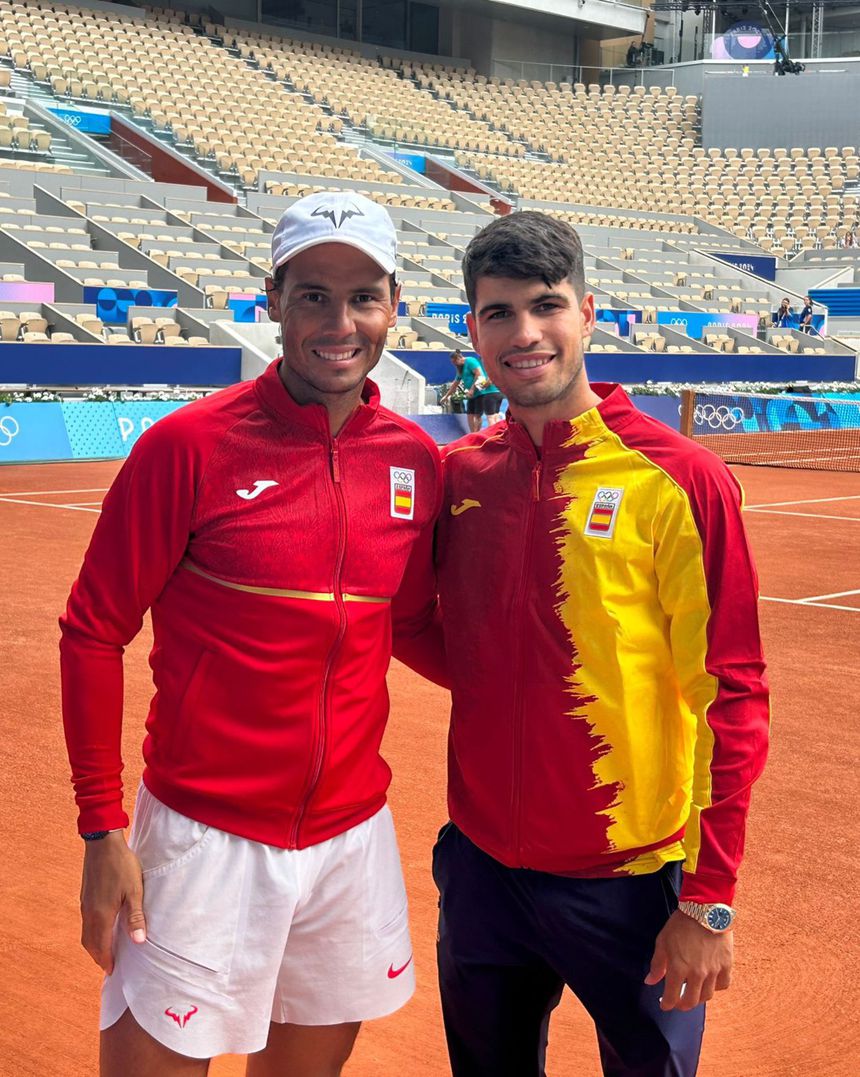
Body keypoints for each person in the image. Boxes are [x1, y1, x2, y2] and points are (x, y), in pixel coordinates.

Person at [59, 191, 446, 1076]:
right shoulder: (186, 447)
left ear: (394, 304)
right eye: (313, 295)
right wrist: (101, 827)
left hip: (351, 840)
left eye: (363, 296)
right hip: (202, 839)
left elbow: (413, 622)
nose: (339, 323)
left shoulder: (415, 461)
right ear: (273, 300)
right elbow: (92, 631)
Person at [431, 212, 770, 1076]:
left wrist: (710, 899)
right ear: (473, 330)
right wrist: (504, 680)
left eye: (546, 306)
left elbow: (732, 692)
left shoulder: (679, 478)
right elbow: (432, 631)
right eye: (499, 313)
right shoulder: (461, 473)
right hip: (482, 873)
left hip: (630, 881)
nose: (525, 333)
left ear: (587, 313)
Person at [440, 348, 504, 432]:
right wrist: (446, 396)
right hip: (473, 395)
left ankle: (480, 433)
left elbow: (479, 375)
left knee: (480, 415)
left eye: (455, 362)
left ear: (459, 358)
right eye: (452, 363)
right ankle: (472, 433)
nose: (454, 364)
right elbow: (455, 383)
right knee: (470, 414)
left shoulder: (470, 361)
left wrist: (472, 389)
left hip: (480, 393)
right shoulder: (460, 368)